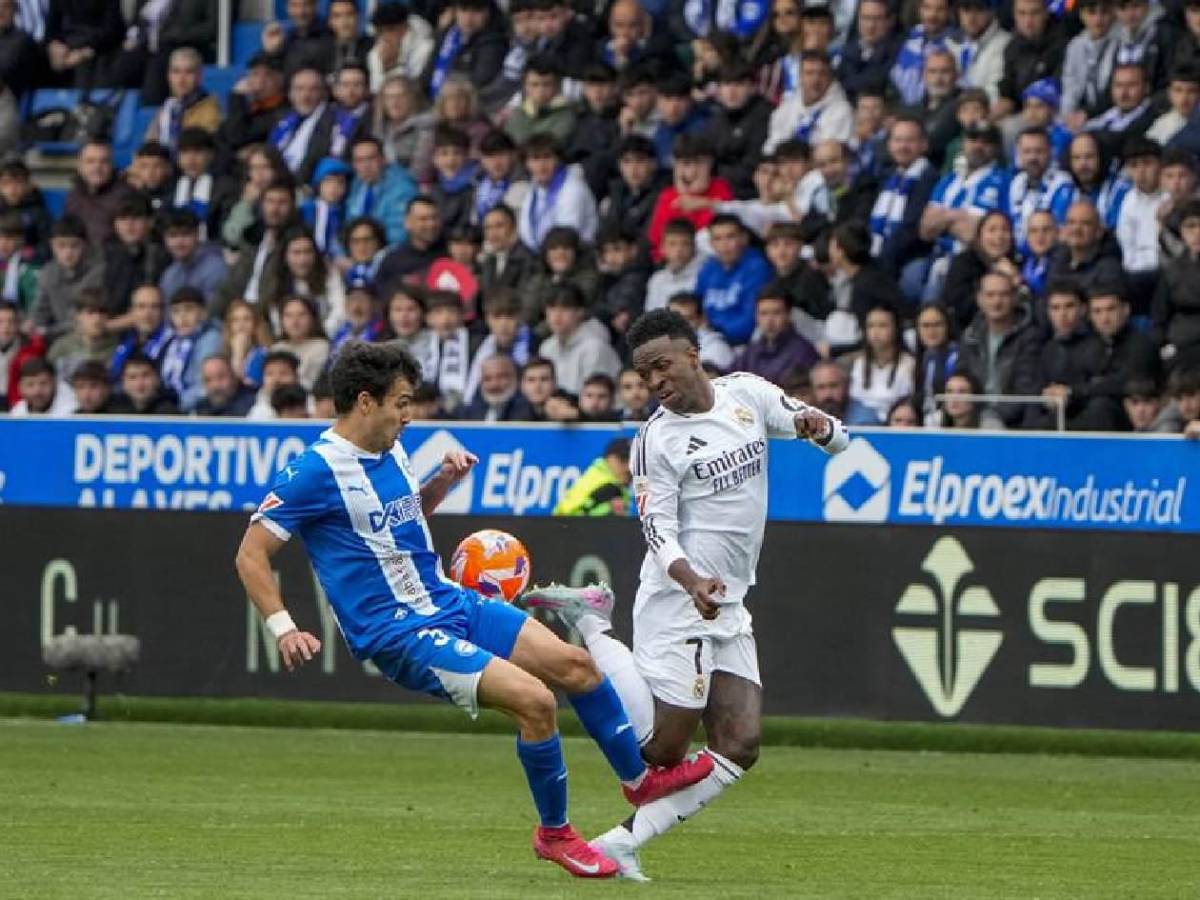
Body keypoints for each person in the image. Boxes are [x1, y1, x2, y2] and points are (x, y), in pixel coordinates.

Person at [235, 341, 713, 879]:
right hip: (400, 634)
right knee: (535, 702)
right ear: (366, 402)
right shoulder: (313, 472)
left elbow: (401, 520)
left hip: (448, 600)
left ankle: (638, 780)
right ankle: (554, 834)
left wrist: (440, 483)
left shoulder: (389, 449)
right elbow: (251, 552)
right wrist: (283, 628)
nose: (409, 413)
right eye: (402, 401)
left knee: (575, 666)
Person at [520, 309, 848, 881]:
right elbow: (657, 529)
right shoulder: (655, 439)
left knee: (740, 744)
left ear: (693, 355)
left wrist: (826, 432)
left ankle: (623, 843)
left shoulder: (747, 394)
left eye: (661, 366)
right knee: (662, 754)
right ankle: (594, 622)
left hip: (729, 600)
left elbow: (827, 433)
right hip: (678, 599)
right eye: (645, 374)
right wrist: (692, 581)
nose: (655, 382)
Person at [957, 272, 1044, 428]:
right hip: (973, 417)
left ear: (1014, 298)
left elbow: (1025, 391)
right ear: (979, 300)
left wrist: (994, 415)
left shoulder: (1030, 337)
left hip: (1013, 423)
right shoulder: (970, 337)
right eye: (990, 295)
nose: (997, 301)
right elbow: (962, 378)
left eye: (1003, 295)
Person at [695, 214, 772, 347]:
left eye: (730, 236)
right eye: (718, 239)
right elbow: (694, 307)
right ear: (711, 244)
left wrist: (715, 333)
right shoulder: (708, 268)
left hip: (741, 345)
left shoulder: (757, 268)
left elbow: (749, 321)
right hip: (706, 339)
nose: (724, 244)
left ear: (744, 238)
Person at [31, 215, 105, 342]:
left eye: (74, 246)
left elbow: (78, 319)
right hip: (58, 337)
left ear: (85, 245)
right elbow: (38, 314)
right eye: (61, 246)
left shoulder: (98, 271)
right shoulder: (48, 272)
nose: (68, 253)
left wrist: (47, 331)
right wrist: (34, 326)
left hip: (90, 337)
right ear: (52, 246)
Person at [537, 284, 621, 395]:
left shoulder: (595, 348)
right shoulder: (547, 347)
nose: (557, 316)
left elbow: (597, 398)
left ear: (580, 312)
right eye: (552, 308)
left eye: (565, 309)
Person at [729, 289, 819, 384]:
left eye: (776, 313)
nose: (769, 321)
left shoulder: (804, 352)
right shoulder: (750, 352)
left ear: (789, 315)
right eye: (763, 313)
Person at [847, 304, 917, 424]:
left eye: (882, 325)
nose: (876, 332)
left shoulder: (909, 364)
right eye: (871, 326)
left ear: (895, 329)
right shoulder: (859, 364)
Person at [160, 286, 221, 412]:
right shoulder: (170, 341)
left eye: (189, 309)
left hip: (197, 409)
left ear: (203, 313)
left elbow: (203, 386)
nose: (182, 317)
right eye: (176, 311)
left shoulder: (210, 339)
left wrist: (176, 403)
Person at [553, 437, 633, 516]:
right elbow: (562, 517)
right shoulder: (601, 483)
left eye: (632, 462)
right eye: (623, 459)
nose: (628, 468)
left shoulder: (614, 483)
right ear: (608, 458)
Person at [459, 353, 533, 421]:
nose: (494, 384)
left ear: (515, 379)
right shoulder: (469, 412)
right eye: (487, 379)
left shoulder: (527, 410)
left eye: (501, 377)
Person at [109, 352, 179, 415]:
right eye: (132, 377)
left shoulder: (169, 413)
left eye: (146, 375)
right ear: (123, 382)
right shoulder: (113, 411)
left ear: (157, 378)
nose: (140, 383)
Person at [10, 356, 74, 415]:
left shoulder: (72, 412)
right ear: (21, 387)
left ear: (54, 383)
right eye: (30, 385)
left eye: (43, 383)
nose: (37, 391)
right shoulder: (17, 412)